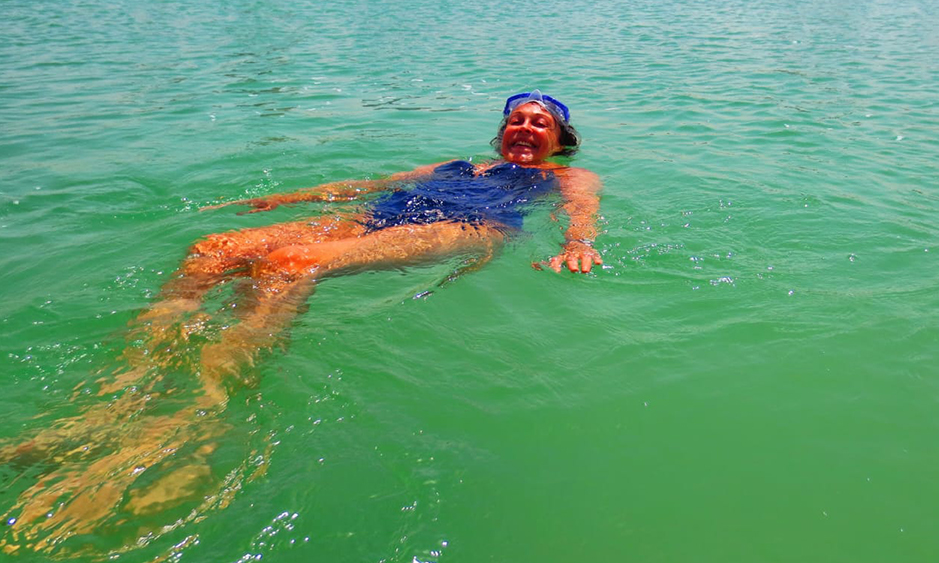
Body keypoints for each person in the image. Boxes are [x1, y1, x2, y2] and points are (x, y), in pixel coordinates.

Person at [0, 90, 601, 551]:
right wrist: (288, 199)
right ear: (501, 130)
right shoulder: (453, 164)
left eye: (539, 123)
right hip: (379, 218)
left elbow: (580, 216)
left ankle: (201, 414)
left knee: (288, 265)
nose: (525, 128)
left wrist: (579, 244)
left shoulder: (568, 177)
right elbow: (368, 186)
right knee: (212, 250)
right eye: (517, 119)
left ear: (559, 140)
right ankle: (119, 394)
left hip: (471, 230)